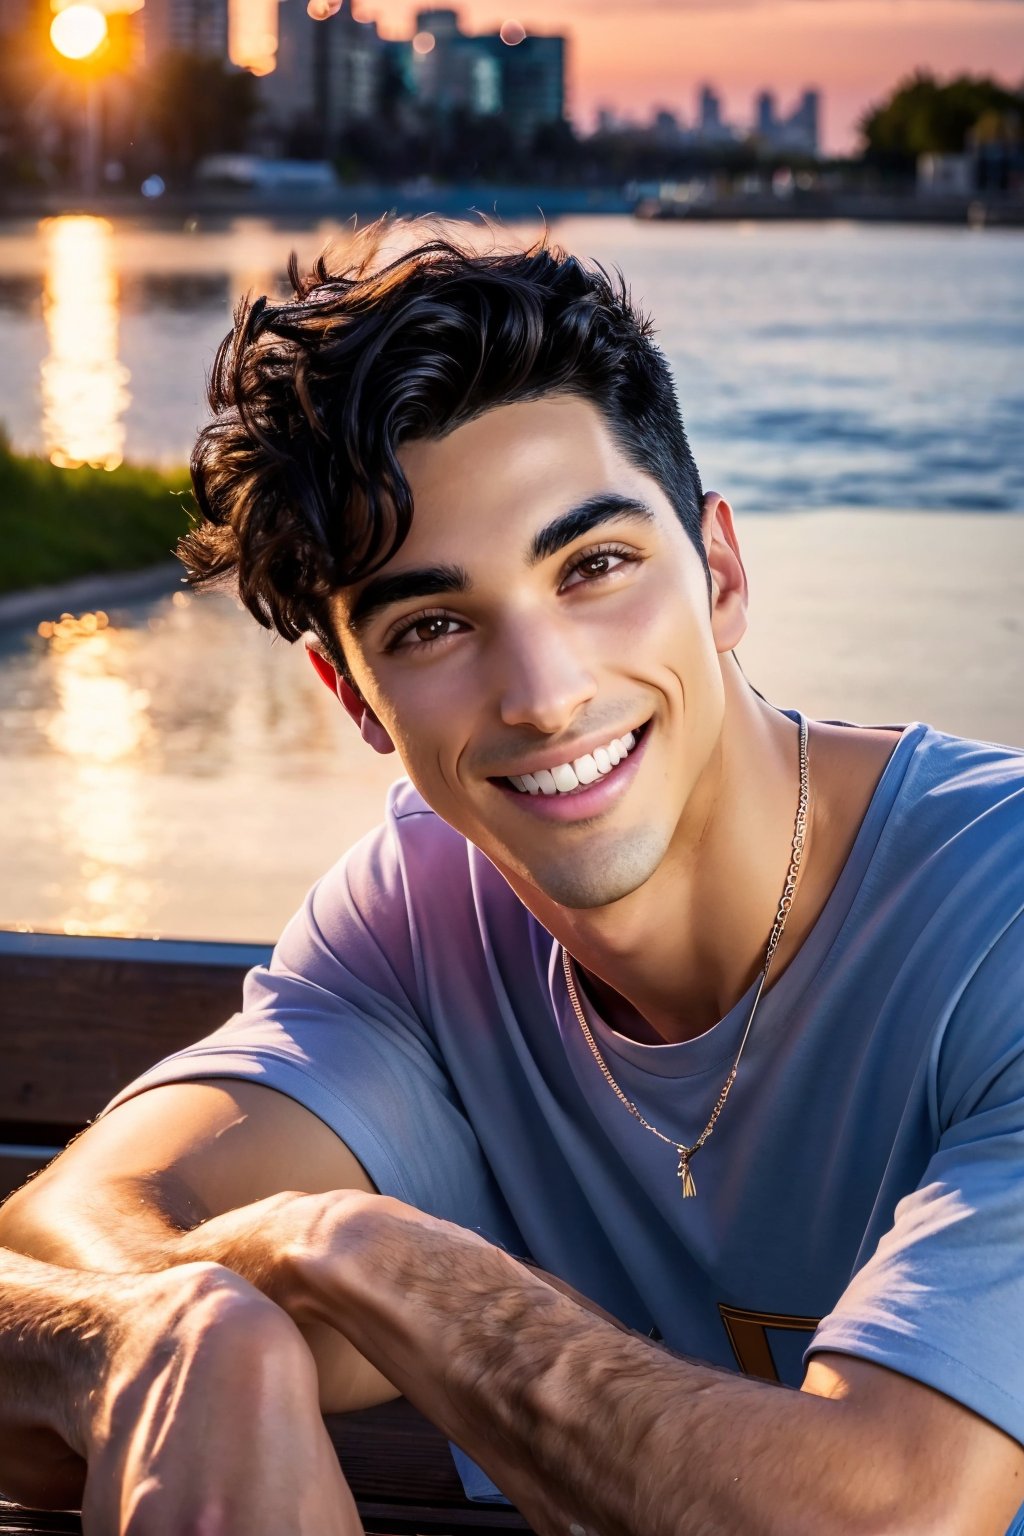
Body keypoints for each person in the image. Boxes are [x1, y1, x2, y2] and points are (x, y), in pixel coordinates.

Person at [2, 223, 1023, 1535]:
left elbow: (891, 1512)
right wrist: (176, 1329)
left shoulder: (992, 916)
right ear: (352, 695)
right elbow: (60, 1260)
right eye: (434, 625)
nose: (545, 694)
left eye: (593, 567)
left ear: (718, 572)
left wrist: (376, 1262)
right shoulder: (421, 928)